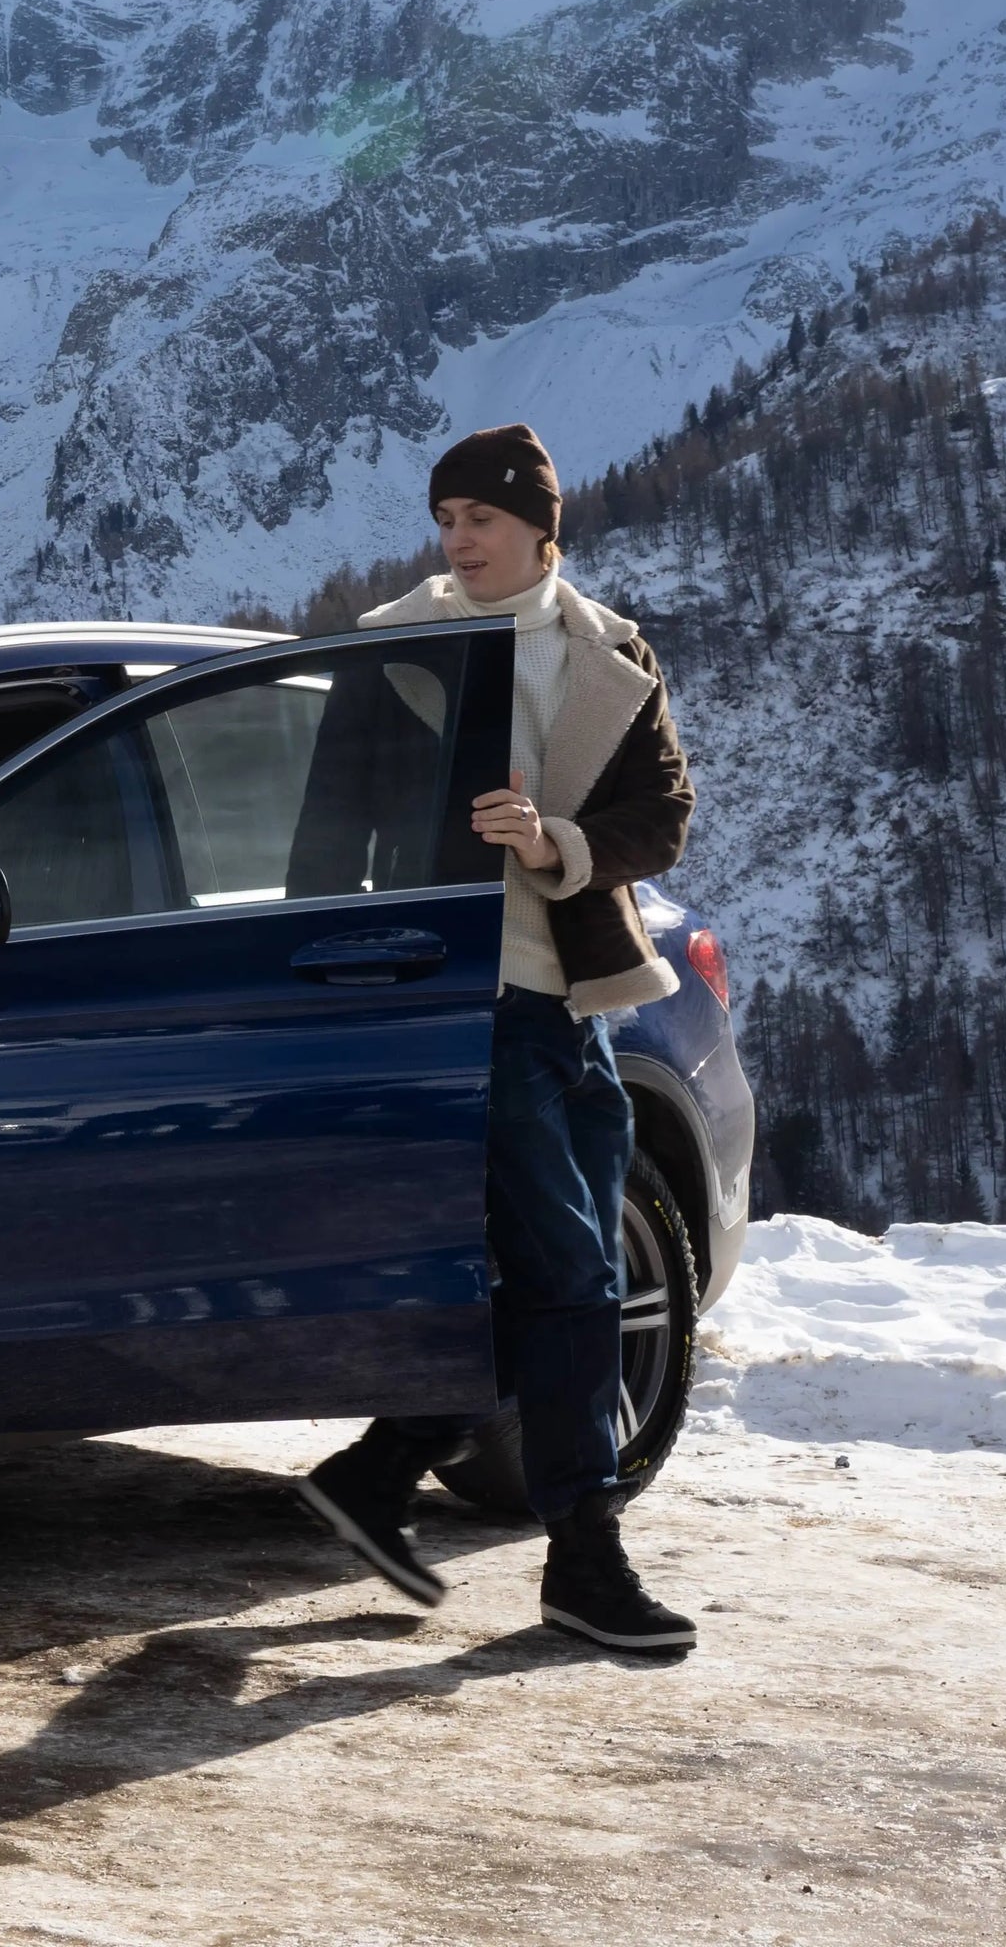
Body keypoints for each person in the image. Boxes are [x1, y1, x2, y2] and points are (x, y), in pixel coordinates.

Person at [297, 423, 701, 1655]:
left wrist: (555, 843)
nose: (458, 541)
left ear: (541, 528)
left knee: (556, 1281)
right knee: (574, 1275)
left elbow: (662, 817)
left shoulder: (609, 652)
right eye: (446, 520)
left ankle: (381, 1467)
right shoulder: (400, 650)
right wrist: (352, 1000)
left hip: (573, 1001)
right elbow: (327, 840)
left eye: (480, 519)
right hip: (459, 1006)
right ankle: (584, 1554)